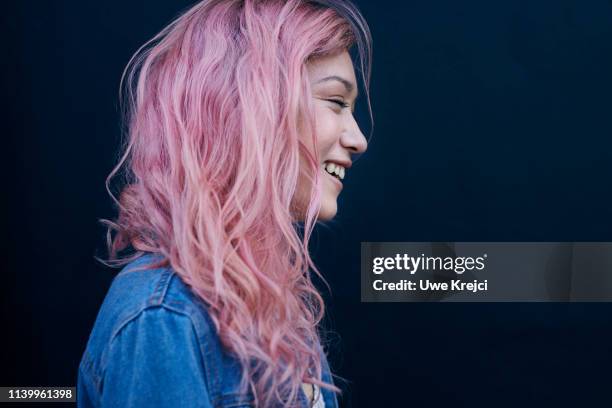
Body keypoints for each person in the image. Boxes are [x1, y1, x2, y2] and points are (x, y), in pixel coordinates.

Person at [77, 0, 372, 406]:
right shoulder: (164, 317)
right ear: (250, 106)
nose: (358, 139)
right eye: (336, 102)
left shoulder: (271, 304)